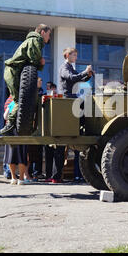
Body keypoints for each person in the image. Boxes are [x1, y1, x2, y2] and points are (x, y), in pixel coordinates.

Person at [50, 47, 93, 184]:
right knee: (86, 106)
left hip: (72, 98)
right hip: (68, 99)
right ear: (68, 55)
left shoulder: (70, 66)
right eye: (74, 55)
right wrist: (85, 72)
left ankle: (83, 127)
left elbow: (78, 79)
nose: (76, 57)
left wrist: (88, 75)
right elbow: (72, 78)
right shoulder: (64, 67)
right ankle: (86, 128)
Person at [1, 24, 50, 134]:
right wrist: (41, 63)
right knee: (19, 100)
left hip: (14, 72)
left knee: (19, 100)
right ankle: (8, 127)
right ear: (42, 32)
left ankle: (11, 127)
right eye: (48, 34)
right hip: (13, 72)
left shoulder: (34, 40)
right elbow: (34, 58)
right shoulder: (35, 40)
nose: (49, 37)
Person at [28, 77, 45, 181]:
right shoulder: (30, 94)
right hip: (32, 126)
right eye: (39, 81)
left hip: (40, 126)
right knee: (30, 151)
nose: (40, 82)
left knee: (39, 151)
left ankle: (37, 172)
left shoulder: (42, 93)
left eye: (41, 81)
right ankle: (30, 171)